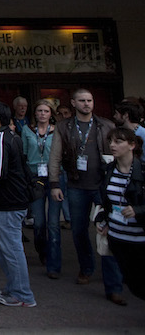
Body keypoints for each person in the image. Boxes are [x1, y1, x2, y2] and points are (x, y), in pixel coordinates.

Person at [48, 88, 124, 304]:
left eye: (89, 100)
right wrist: (55, 183)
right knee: (79, 230)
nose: (86, 104)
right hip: (75, 184)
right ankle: (86, 267)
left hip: (102, 184)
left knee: (106, 232)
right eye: (82, 100)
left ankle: (114, 285)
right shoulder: (64, 126)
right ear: (73, 103)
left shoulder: (106, 125)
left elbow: (117, 153)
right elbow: (54, 156)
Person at [0, 101, 36, 308]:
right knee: (0, 243)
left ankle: (22, 293)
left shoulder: (1, 139)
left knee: (11, 248)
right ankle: (15, 286)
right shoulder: (12, 136)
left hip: (8, 202)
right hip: (10, 201)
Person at [97, 127, 145, 301]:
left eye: (118, 142)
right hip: (118, 238)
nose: (112, 145)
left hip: (139, 240)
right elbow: (106, 201)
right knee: (135, 286)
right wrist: (102, 219)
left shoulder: (142, 171)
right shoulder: (109, 170)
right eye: (110, 141)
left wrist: (138, 210)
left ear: (131, 145)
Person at [22, 98, 61, 278]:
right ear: (35, 113)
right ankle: (42, 251)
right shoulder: (27, 131)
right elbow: (23, 154)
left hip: (54, 177)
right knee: (39, 222)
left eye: (46, 111)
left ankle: (53, 264)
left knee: (53, 223)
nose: (43, 114)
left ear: (51, 114)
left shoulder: (57, 132)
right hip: (35, 177)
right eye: (39, 111)